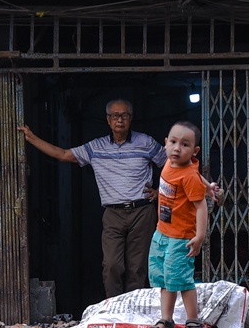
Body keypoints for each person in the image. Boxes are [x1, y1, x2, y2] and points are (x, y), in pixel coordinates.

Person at [18, 100, 163, 299]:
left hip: (142, 211)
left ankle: (132, 310)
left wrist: (160, 191)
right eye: (115, 115)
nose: (119, 119)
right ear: (108, 120)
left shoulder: (145, 142)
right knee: (112, 265)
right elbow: (63, 154)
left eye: (124, 115)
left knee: (137, 266)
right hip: (113, 213)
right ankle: (113, 308)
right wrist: (32, 138)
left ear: (131, 118)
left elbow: (172, 162)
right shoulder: (96, 147)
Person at [147, 120, 223, 328]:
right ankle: (166, 320)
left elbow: (201, 208)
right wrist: (208, 186)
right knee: (164, 279)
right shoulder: (171, 163)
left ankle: (193, 320)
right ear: (166, 143)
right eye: (173, 142)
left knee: (182, 279)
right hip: (162, 233)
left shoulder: (187, 175)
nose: (177, 148)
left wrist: (199, 236)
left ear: (195, 150)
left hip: (181, 237)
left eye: (185, 144)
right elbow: (197, 174)